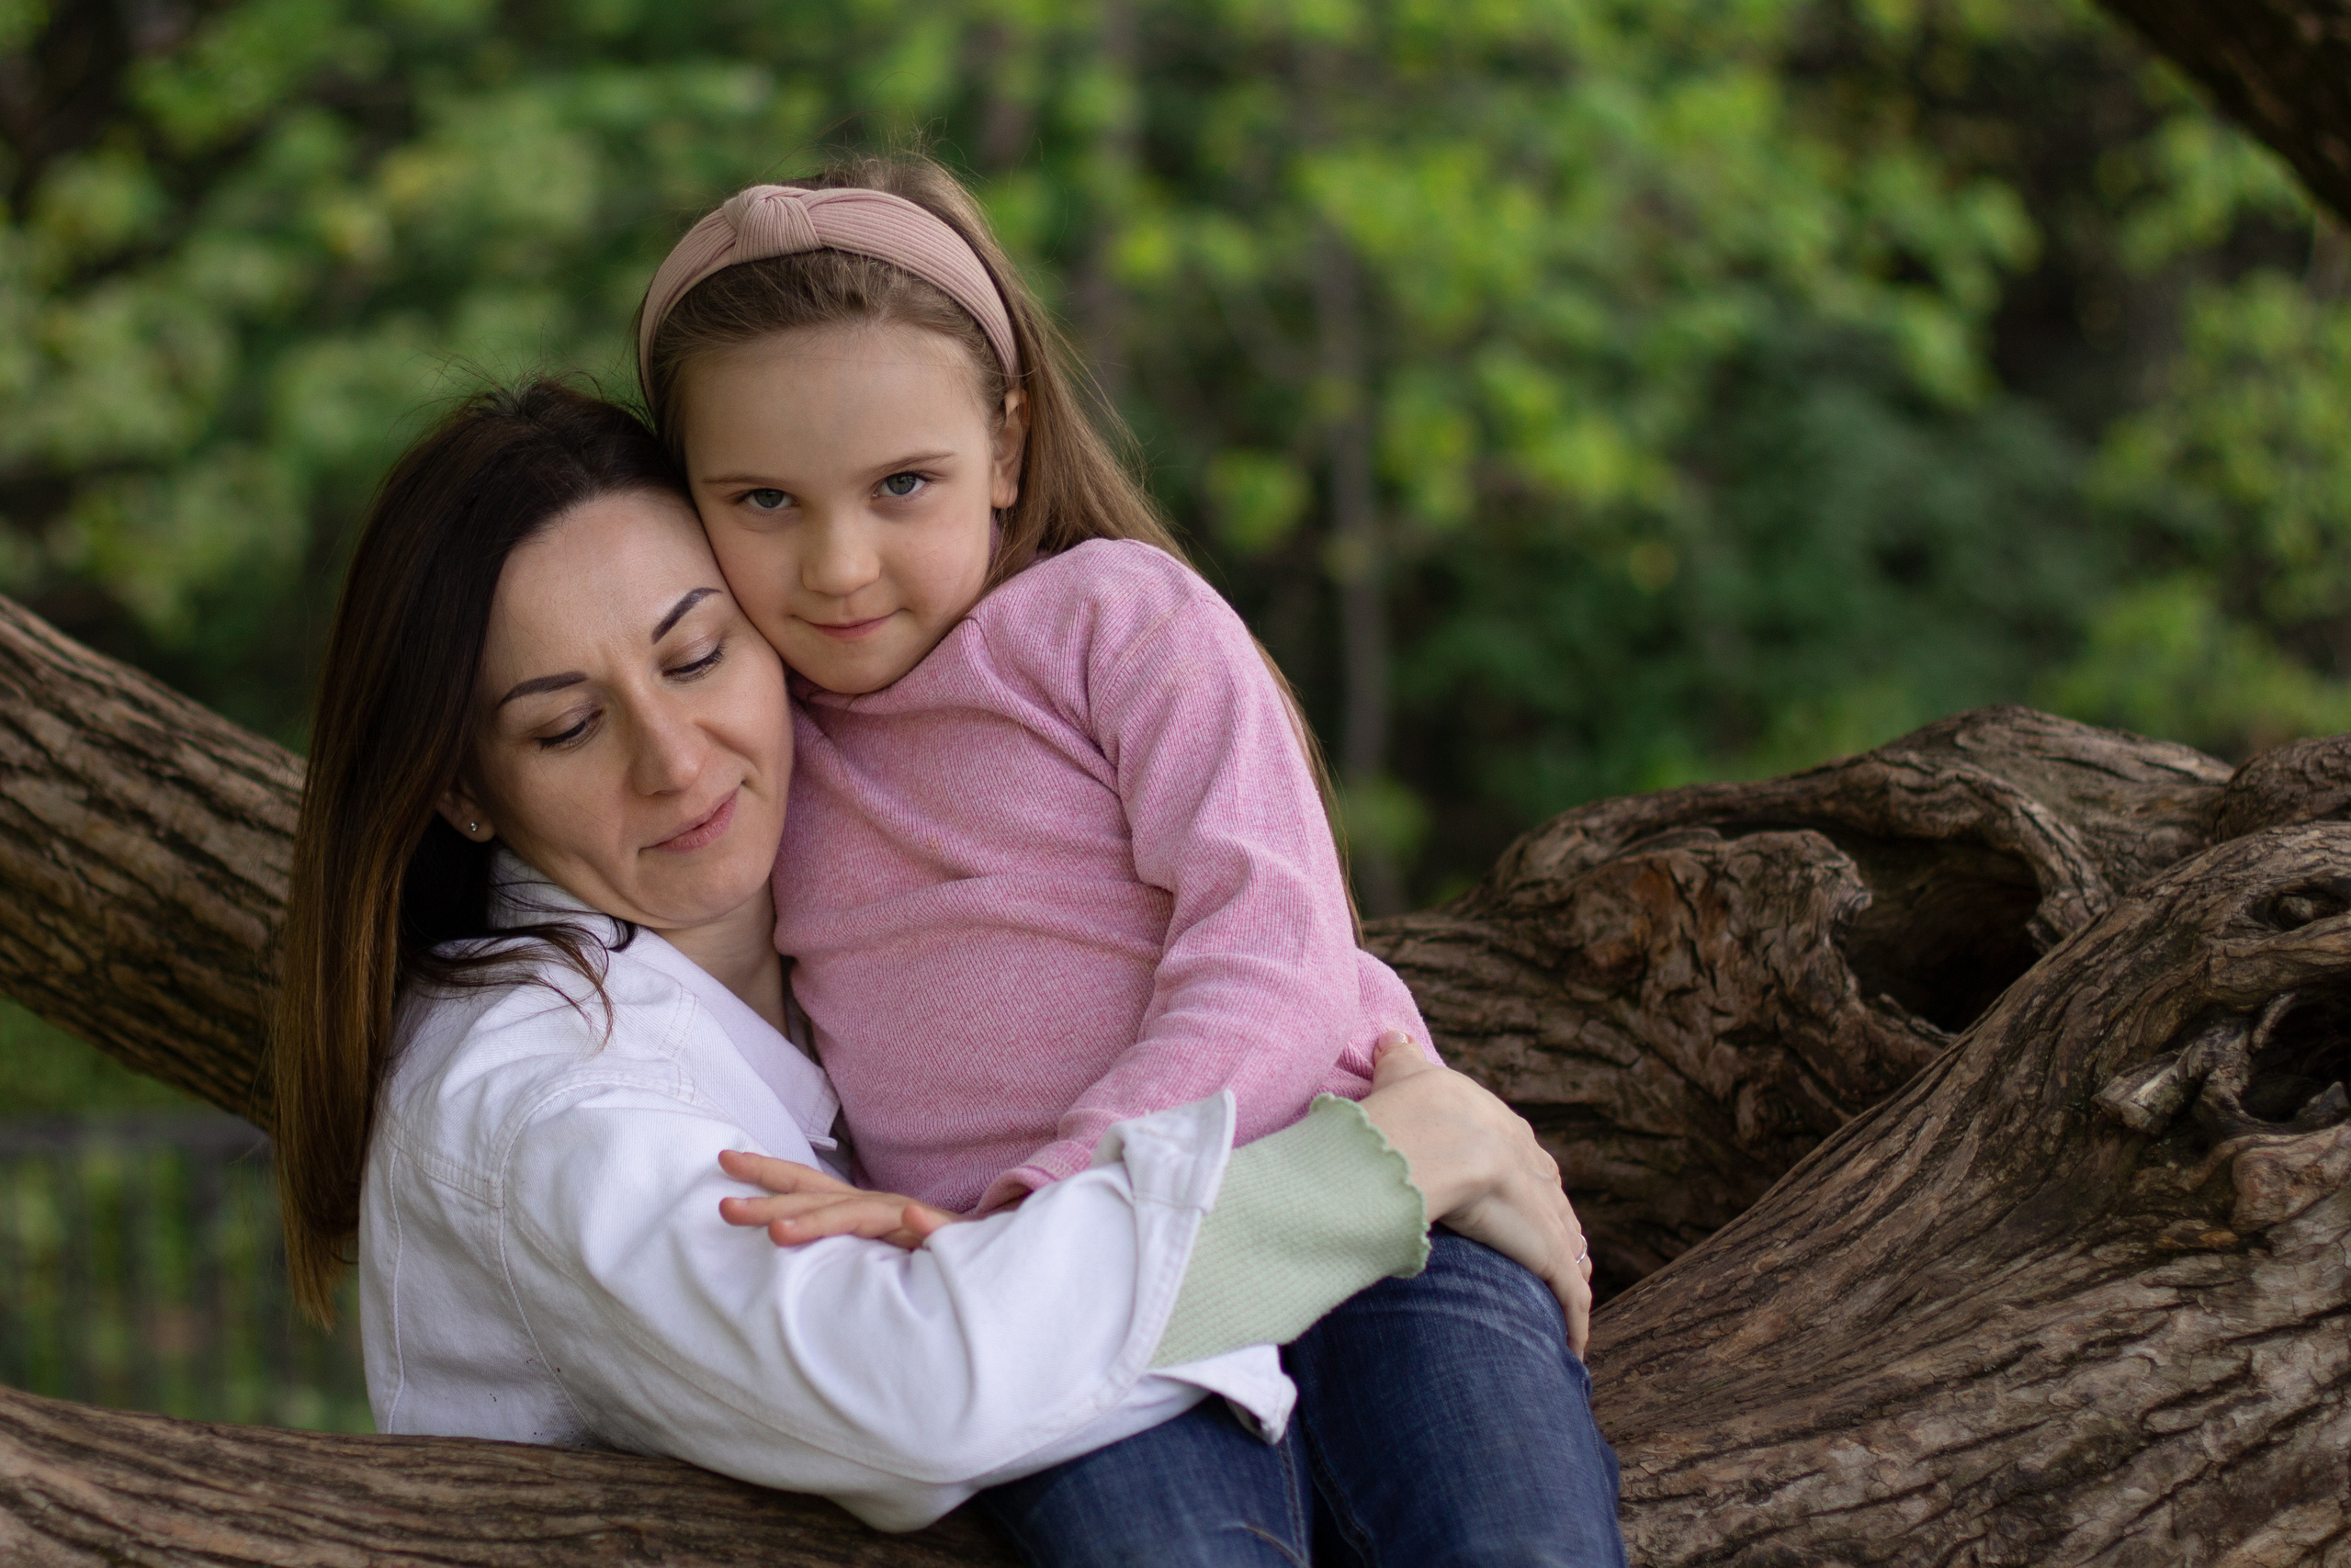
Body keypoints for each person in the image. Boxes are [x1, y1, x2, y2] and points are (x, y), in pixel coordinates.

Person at [267, 378, 1598, 1535]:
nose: (675, 762)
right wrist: (1394, 1166)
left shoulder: (875, 914)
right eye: (565, 728)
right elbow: (932, 1387)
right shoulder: (541, 1104)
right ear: (463, 790)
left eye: (695, 654)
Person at [636, 155, 1627, 1563]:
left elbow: (1276, 953)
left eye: (902, 485)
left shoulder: (1117, 622)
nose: (840, 565)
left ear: (1011, 450)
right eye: (764, 502)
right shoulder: (742, 753)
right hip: (1072, 1333)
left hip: (1348, 1204)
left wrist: (1051, 1203)